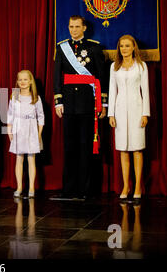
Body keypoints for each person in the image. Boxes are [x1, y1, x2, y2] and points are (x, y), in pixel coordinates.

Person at [53, 15, 108, 200]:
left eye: (77, 26)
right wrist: (58, 101)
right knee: (69, 147)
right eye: (71, 26)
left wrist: (103, 103)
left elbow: (101, 76)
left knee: (86, 148)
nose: (73, 30)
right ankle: (69, 189)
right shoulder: (62, 48)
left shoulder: (94, 47)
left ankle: (86, 190)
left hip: (87, 103)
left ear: (84, 28)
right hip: (69, 103)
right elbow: (56, 77)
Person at [108, 35, 150, 201]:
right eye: (121, 46)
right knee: (123, 150)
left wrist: (145, 113)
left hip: (136, 110)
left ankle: (138, 185)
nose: (124, 49)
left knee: (137, 149)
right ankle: (126, 185)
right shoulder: (114, 67)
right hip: (119, 111)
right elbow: (112, 90)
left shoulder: (141, 66)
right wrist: (111, 113)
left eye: (127, 46)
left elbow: (145, 91)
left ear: (133, 48)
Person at [7, 70, 44, 198]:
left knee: (31, 159)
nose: (22, 82)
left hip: (31, 129)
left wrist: (39, 134)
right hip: (18, 129)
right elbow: (10, 115)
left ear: (30, 81)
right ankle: (19, 186)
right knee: (19, 159)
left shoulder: (35, 97)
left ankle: (32, 187)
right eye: (20, 80)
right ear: (17, 82)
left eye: (25, 79)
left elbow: (41, 117)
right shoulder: (15, 96)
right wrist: (9, 130)